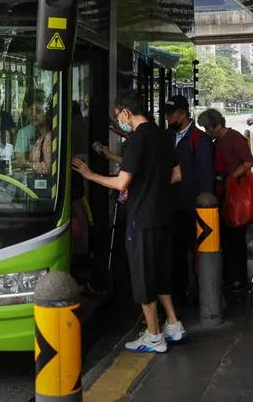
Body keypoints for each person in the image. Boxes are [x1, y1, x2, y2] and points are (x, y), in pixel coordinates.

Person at [72, 91, 186, 353]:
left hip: (142, 218)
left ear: (126, 112)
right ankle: (173, 324)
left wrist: (90, 175)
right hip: (163, 215)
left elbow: (122, 182)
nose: (119, 120)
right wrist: (152, 185)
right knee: (160, 270)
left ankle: (154, 336)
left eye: (118, 115)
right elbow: (177, 175)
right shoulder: (162, 135)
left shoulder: (137, 139)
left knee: (143, 275)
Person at [163, 94, 215, 308]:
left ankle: (204, 295)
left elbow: (206, 178)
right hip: (170, 207)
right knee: (174, 254)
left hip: (194, 209)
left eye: (171, 114)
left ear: (183, 114)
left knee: (199, 254)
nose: (167, 118)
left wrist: (205, 210)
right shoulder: (166, 136)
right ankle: (178, 296)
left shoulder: (199, 140)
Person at [196, 107, 253, 295]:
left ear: (218, 125)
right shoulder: (219, 140)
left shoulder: (234, 138)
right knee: (227, 239)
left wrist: (230, 178)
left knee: (236, 238)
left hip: (234, 194)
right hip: (223, 195)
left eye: (208, 128)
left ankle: (239, 279)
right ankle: (231, 276)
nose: (207, 132)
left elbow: (248, 162)